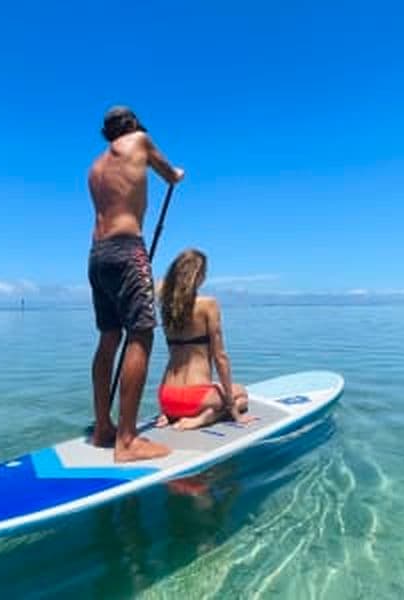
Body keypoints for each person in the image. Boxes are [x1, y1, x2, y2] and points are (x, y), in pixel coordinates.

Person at [88, 106, 184, 462]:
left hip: (97, 255)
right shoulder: (140, 141)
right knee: (141, 334)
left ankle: (102, 428)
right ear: (133, 125)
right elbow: (169, 175)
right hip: (128, 250)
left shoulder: (95, 168)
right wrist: (177, 174)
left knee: (109, 337)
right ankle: (127, 440)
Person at [156, 249, 255, 430]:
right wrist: (233, 409)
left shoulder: (167, 308)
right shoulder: (208, 305)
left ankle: (169, 416)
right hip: (195, 399)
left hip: (167, 397)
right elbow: (220, 358)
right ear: (198, 275)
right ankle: (206, 418)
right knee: (241, 394)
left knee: (218, 389)